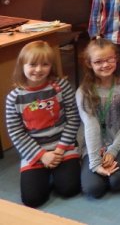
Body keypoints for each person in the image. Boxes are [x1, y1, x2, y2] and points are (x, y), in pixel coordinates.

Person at [5, 41, 80, 207]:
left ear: (51, 66)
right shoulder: (14, 98)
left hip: (63, 146)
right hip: (35, 150)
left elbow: (73, 118)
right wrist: (42, 155)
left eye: (45, 64)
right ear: (22, 65)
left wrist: (59, 150)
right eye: (32, 64)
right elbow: (16, 132)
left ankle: (63, 168)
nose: (38, 70)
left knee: (69, 189)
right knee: (32, 199)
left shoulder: (61, 86)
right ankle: (46, 171)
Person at [77, 38, 120, 198]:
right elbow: (91, 126)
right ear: (89, 63)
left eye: (110, 59)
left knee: (117, 182)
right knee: (93, 188)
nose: (105, 65)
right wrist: (95, 162)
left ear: (117, 59)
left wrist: (113, 150)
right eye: (98, 61)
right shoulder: (84, 91)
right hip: (94, 145)